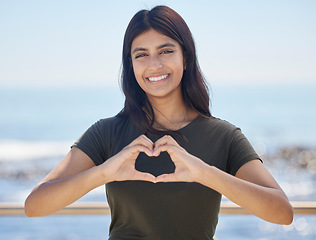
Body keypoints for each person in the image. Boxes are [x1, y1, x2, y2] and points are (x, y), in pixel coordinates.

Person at [25, 5, 293, 240]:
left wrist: (204, 173)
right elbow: (34, 206)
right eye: (141, 55)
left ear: (185, 57)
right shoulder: (106, 132)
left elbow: (282, 213)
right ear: (130, 65)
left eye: (166, 51)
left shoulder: (224, 136)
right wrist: (104, 172)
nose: (154, 65)